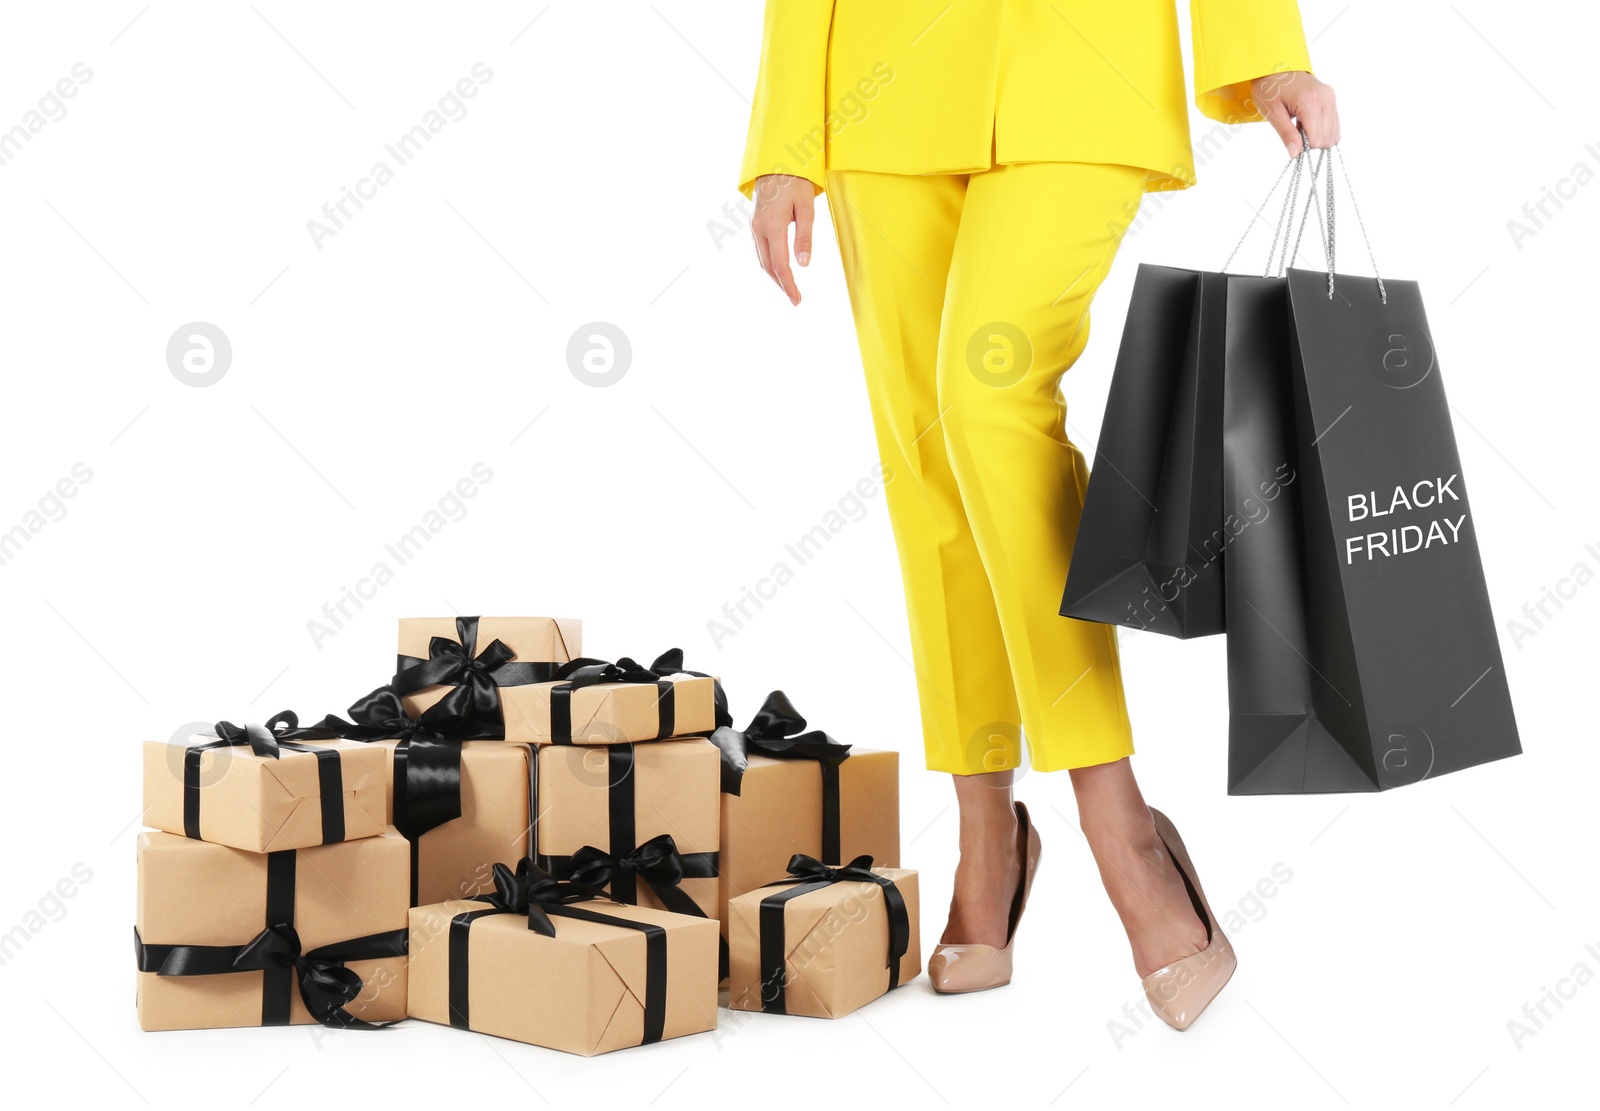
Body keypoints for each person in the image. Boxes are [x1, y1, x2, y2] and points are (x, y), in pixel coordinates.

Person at [737, 1, 1337, 1027]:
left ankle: (1119, 824)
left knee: (988, 395)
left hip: (1080, 68)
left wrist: (1266, 55)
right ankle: (985, 829)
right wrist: (785, 140)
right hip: (882, 84)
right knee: (929, 459)